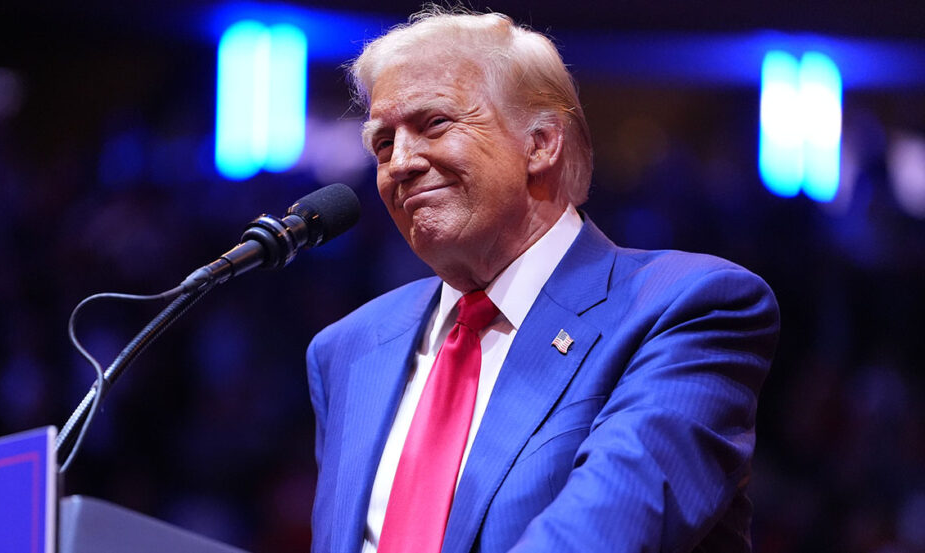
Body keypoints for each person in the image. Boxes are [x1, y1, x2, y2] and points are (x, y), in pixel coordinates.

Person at [306, 7, 779, 553]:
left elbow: (607, 532)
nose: (401, 163)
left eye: (434, 123)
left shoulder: (687, 306)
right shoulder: (348, 347)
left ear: (541, 144)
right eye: (383, 143)